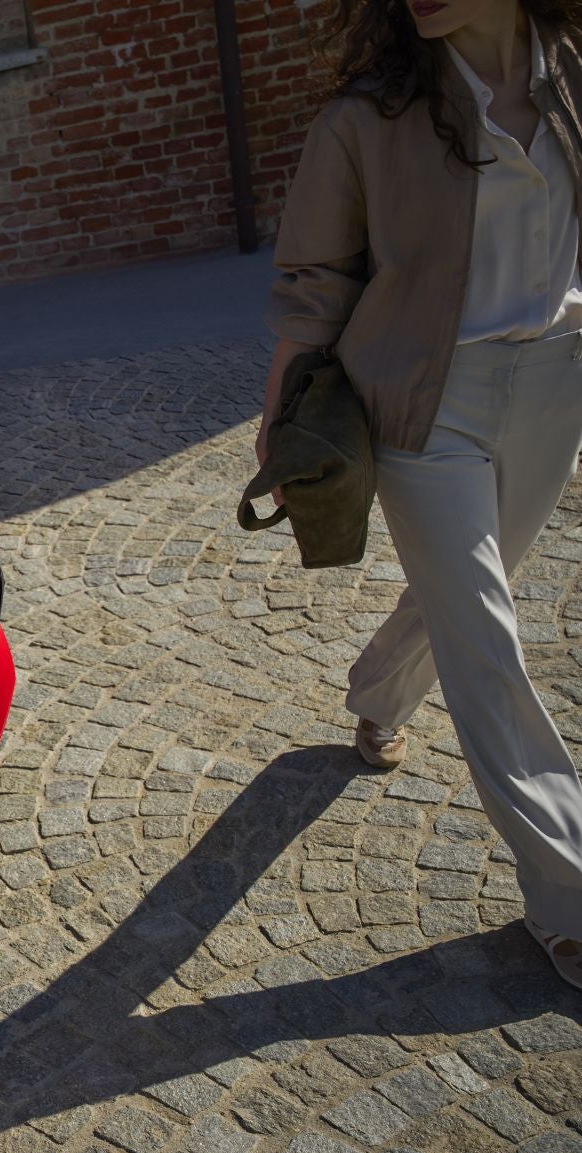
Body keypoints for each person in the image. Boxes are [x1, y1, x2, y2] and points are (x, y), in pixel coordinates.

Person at [265, 0, 582, 989]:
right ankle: (567, 893)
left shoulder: (571, 72)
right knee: (485, 635)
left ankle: (378, 694)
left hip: (557, 382)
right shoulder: (369, 118)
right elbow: (313, 277)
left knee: (465, 592)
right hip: (422, 401)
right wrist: (285, 423)